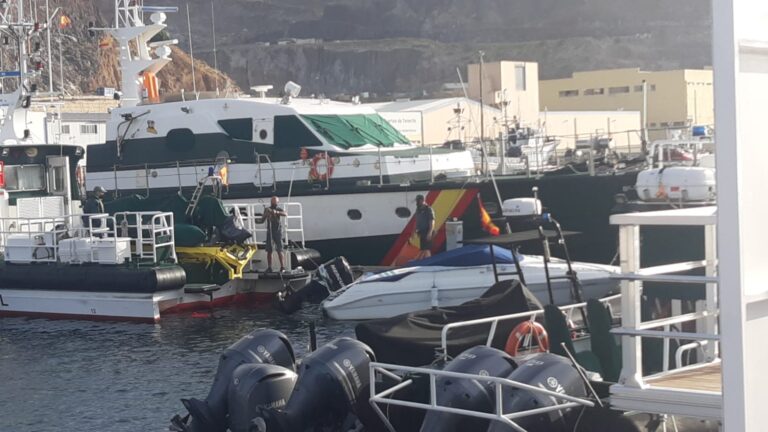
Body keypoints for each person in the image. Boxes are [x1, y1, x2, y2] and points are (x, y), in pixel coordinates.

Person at [257, 196, 287, 272]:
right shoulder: (267, 209)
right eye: (272, 201)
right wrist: (265, 215)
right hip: (269, 232)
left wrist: (276, 212)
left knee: (279, 249)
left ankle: (282, 267)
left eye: (275, 201)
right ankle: (269, 267)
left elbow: (285, 214)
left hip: (277, 231)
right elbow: (262, 220)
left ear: (277, 202)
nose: (273, 203)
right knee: (269, 250)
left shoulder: (278, 209)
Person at [414, 194, 435, 260]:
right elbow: (417, 221)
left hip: (427, 231)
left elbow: (432, 221)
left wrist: (430, 232)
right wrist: (415, 231)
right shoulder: (418, 210)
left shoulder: (428, 209)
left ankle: (428, 264)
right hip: (421, 232)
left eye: (418, 201)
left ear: (423, 200)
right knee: (423, 249)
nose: (417, 202)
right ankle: (416, 262)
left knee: (426, 250)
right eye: (416, 201)